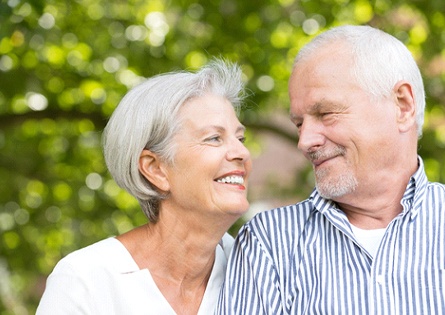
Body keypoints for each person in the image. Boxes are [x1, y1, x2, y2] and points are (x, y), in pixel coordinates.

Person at [217, 25, 445, 314]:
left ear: (402, 106)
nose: (305, 141)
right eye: (299, 124)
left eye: (326, 113)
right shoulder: (270, 243)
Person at [36, 58, 252, 315]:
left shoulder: (256, 269)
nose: (241, 152)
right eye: (214, 138)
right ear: (155, 168)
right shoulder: (85, 282)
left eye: (240, 138)